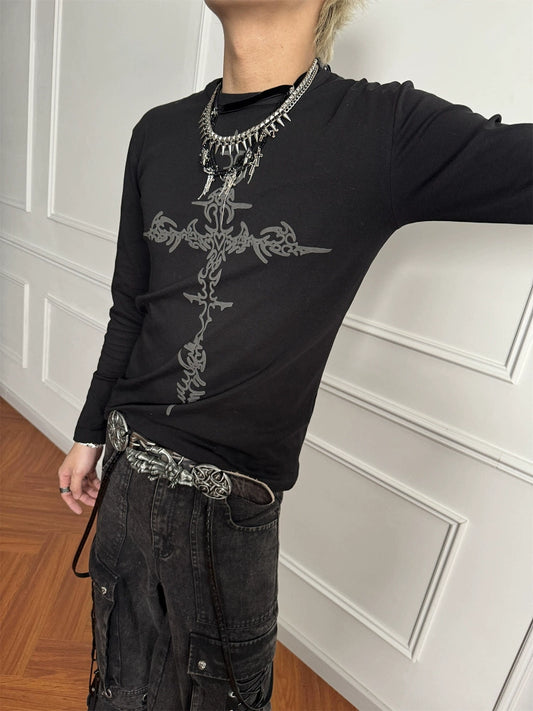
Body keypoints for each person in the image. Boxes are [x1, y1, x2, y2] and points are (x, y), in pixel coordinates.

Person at [57, 0, 533, 709]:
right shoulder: (156, 132)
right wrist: (89, 430)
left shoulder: (381, 130)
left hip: (227, 516)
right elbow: (131, 303)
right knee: (118, 688)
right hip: (125, 478)